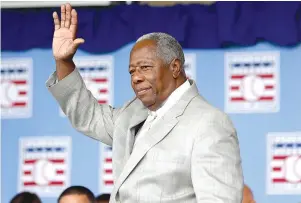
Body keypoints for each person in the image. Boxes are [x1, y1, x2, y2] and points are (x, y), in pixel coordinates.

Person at [47, 3, 243, 203]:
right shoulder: (132, 113)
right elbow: (88, 116)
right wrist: (64, 62)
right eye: (132, 71)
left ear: (175, 67)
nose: (136, 78)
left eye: (145, 67)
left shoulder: (208, 123)